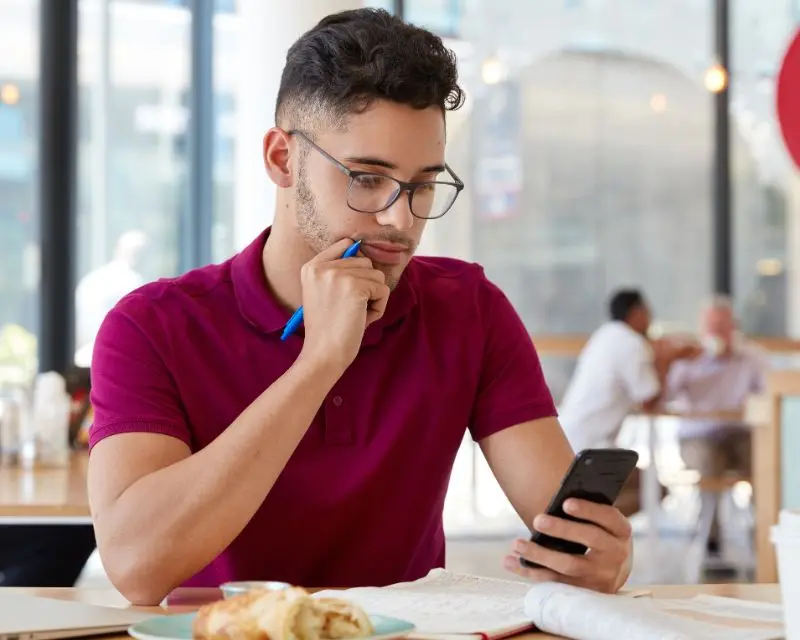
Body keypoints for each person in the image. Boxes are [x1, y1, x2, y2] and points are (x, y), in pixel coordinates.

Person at [87, 9, 632, 606]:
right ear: (282, 160)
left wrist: (597, 557)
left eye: (423, 185)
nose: (400, 220)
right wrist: (319, 361)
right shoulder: (150, 326)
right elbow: (137, 567)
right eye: (367, 179)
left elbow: (563, 528)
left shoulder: (470, 310)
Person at [558, 289, 698, 517]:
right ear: (637, 313)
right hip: (592, 450)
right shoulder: (632, 344)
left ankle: (587, 522)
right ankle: (586, 523)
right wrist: (667, 360)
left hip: (570, 439)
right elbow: (650, 400)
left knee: (645, 487)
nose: (651, 319)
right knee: (655, 490)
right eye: (648, 313)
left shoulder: (605, 336)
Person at [666, 296, 768, 552]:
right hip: (697, 437)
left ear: (734, 328)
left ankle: (764, 532)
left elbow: (770, 394)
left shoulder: (751, 357)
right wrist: (675, 360)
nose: (717, 332)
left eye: (723, 326)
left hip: (738, 434)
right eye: (711, 326)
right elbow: (665, 397)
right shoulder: (687, 359)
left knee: (765, 459)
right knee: (709, 460)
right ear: (702, 329)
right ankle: (710, 536)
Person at [74, 230, 148, 366]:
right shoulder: (131, 281)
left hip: (90, 352)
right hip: (112, 354)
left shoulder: (94, 278)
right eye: (139, 251)